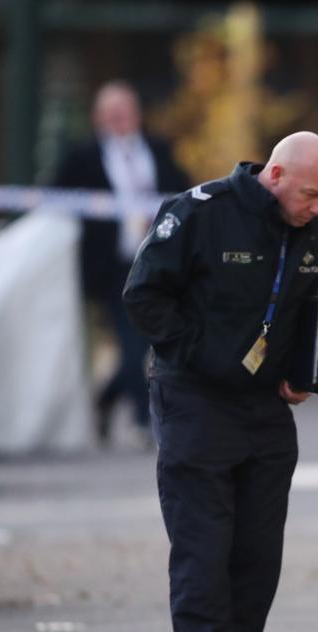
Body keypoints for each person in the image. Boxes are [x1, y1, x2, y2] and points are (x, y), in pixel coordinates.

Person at [122, 132, 318, 632]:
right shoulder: (199, 213)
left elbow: (300, 312)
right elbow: (143, 297)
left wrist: (299, 373)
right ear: (274, 175)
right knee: (203, 549)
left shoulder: (311, 233)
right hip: (195, 401)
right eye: (312, 194)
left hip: (265, 412)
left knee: (257, 554)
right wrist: (203, 355)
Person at [56, 80, 190, 445]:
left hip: (157, 262)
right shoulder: (81, 157)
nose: (118, 120)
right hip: (113, 267)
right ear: (98, 117)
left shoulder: (159, 151)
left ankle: (105, 399)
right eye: (110, 113)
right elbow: (57, 204)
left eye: (124, 112)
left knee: (145, 340)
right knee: (132, 340)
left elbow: (183, 195)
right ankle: (144, 421)